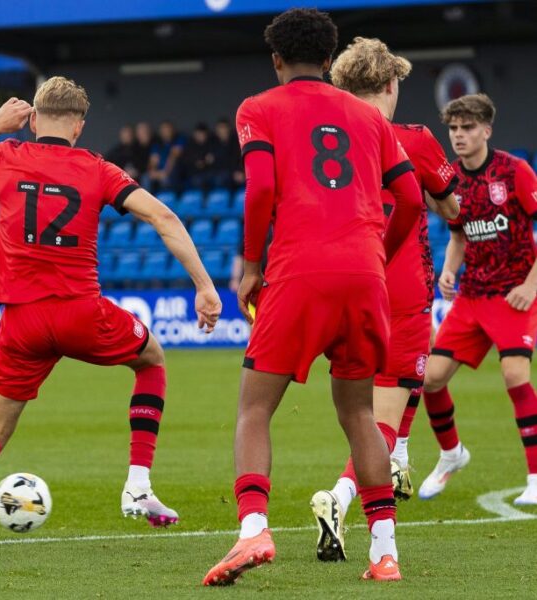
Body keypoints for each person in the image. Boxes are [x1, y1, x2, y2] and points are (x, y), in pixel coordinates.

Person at [0, 77, 222, 558]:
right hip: (83, 313)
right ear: (79, 127)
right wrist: (205, 287)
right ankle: (138, 485)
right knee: (151, 359)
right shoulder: (98, 169)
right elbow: (163, 217)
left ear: (34, 119)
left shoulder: (6, 155)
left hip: (21, 323)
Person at [201, 9, 423, 586]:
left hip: (300, 271)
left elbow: (263, 187)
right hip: (365, 277)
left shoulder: (259, 108)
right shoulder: (369, 117)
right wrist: (378, 249)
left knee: (255, 408)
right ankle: (384, 555)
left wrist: (251, 267)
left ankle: (253, 531)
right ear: (330, 61)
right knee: (359, 414)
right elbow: (413, 199)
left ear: (276, 60)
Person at [310, 36, 461, 563]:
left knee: (372, 400)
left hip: (334, 284)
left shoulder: (324, 139)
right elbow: (451, 205)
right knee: (382, 416)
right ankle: (343, 495)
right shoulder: (412, 139)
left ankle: (400, 456)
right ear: (392, 85)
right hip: (397, 288)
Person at [412, 94, 537, 505]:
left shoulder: (514, 171)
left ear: (487, 130)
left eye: (468, 128)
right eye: (454, 129)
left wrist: (531, 285)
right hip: (473, 295)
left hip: (515, 294)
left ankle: (536, 477)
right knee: (429, 378)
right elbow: (459, 235)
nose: (459, 136)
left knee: (516, 375)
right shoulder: (452, 180)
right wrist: (450, 270)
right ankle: (452, 453)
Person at [144, 121, 184, 192]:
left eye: (168, 129)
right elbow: (153, 161)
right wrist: (154, 172)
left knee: (167, 179)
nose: (166, 132)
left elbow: (173, 157)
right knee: (146, 178)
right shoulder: (158, 144)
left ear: (172, 130)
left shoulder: (179, 139)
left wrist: (165, 172)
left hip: (172, 172)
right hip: (160, 173)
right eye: (163, 130)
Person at [211, 118, 245, 191]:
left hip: (234, 173)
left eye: (224, 128)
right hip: (218, 173)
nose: (222, 131)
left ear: (229, 129)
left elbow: (239, 159)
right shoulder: (212, 143)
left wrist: (240, 171)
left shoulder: (236, 142)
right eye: (220, 128)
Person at [181, 123, 216, 191]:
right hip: (193, 174)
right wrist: (196, 162)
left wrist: (207, 161)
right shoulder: (190, 146)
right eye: (198, 134)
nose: (200, 136)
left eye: (202, 134)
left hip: (209, 173)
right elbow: (186, 161)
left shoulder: (211, 144)